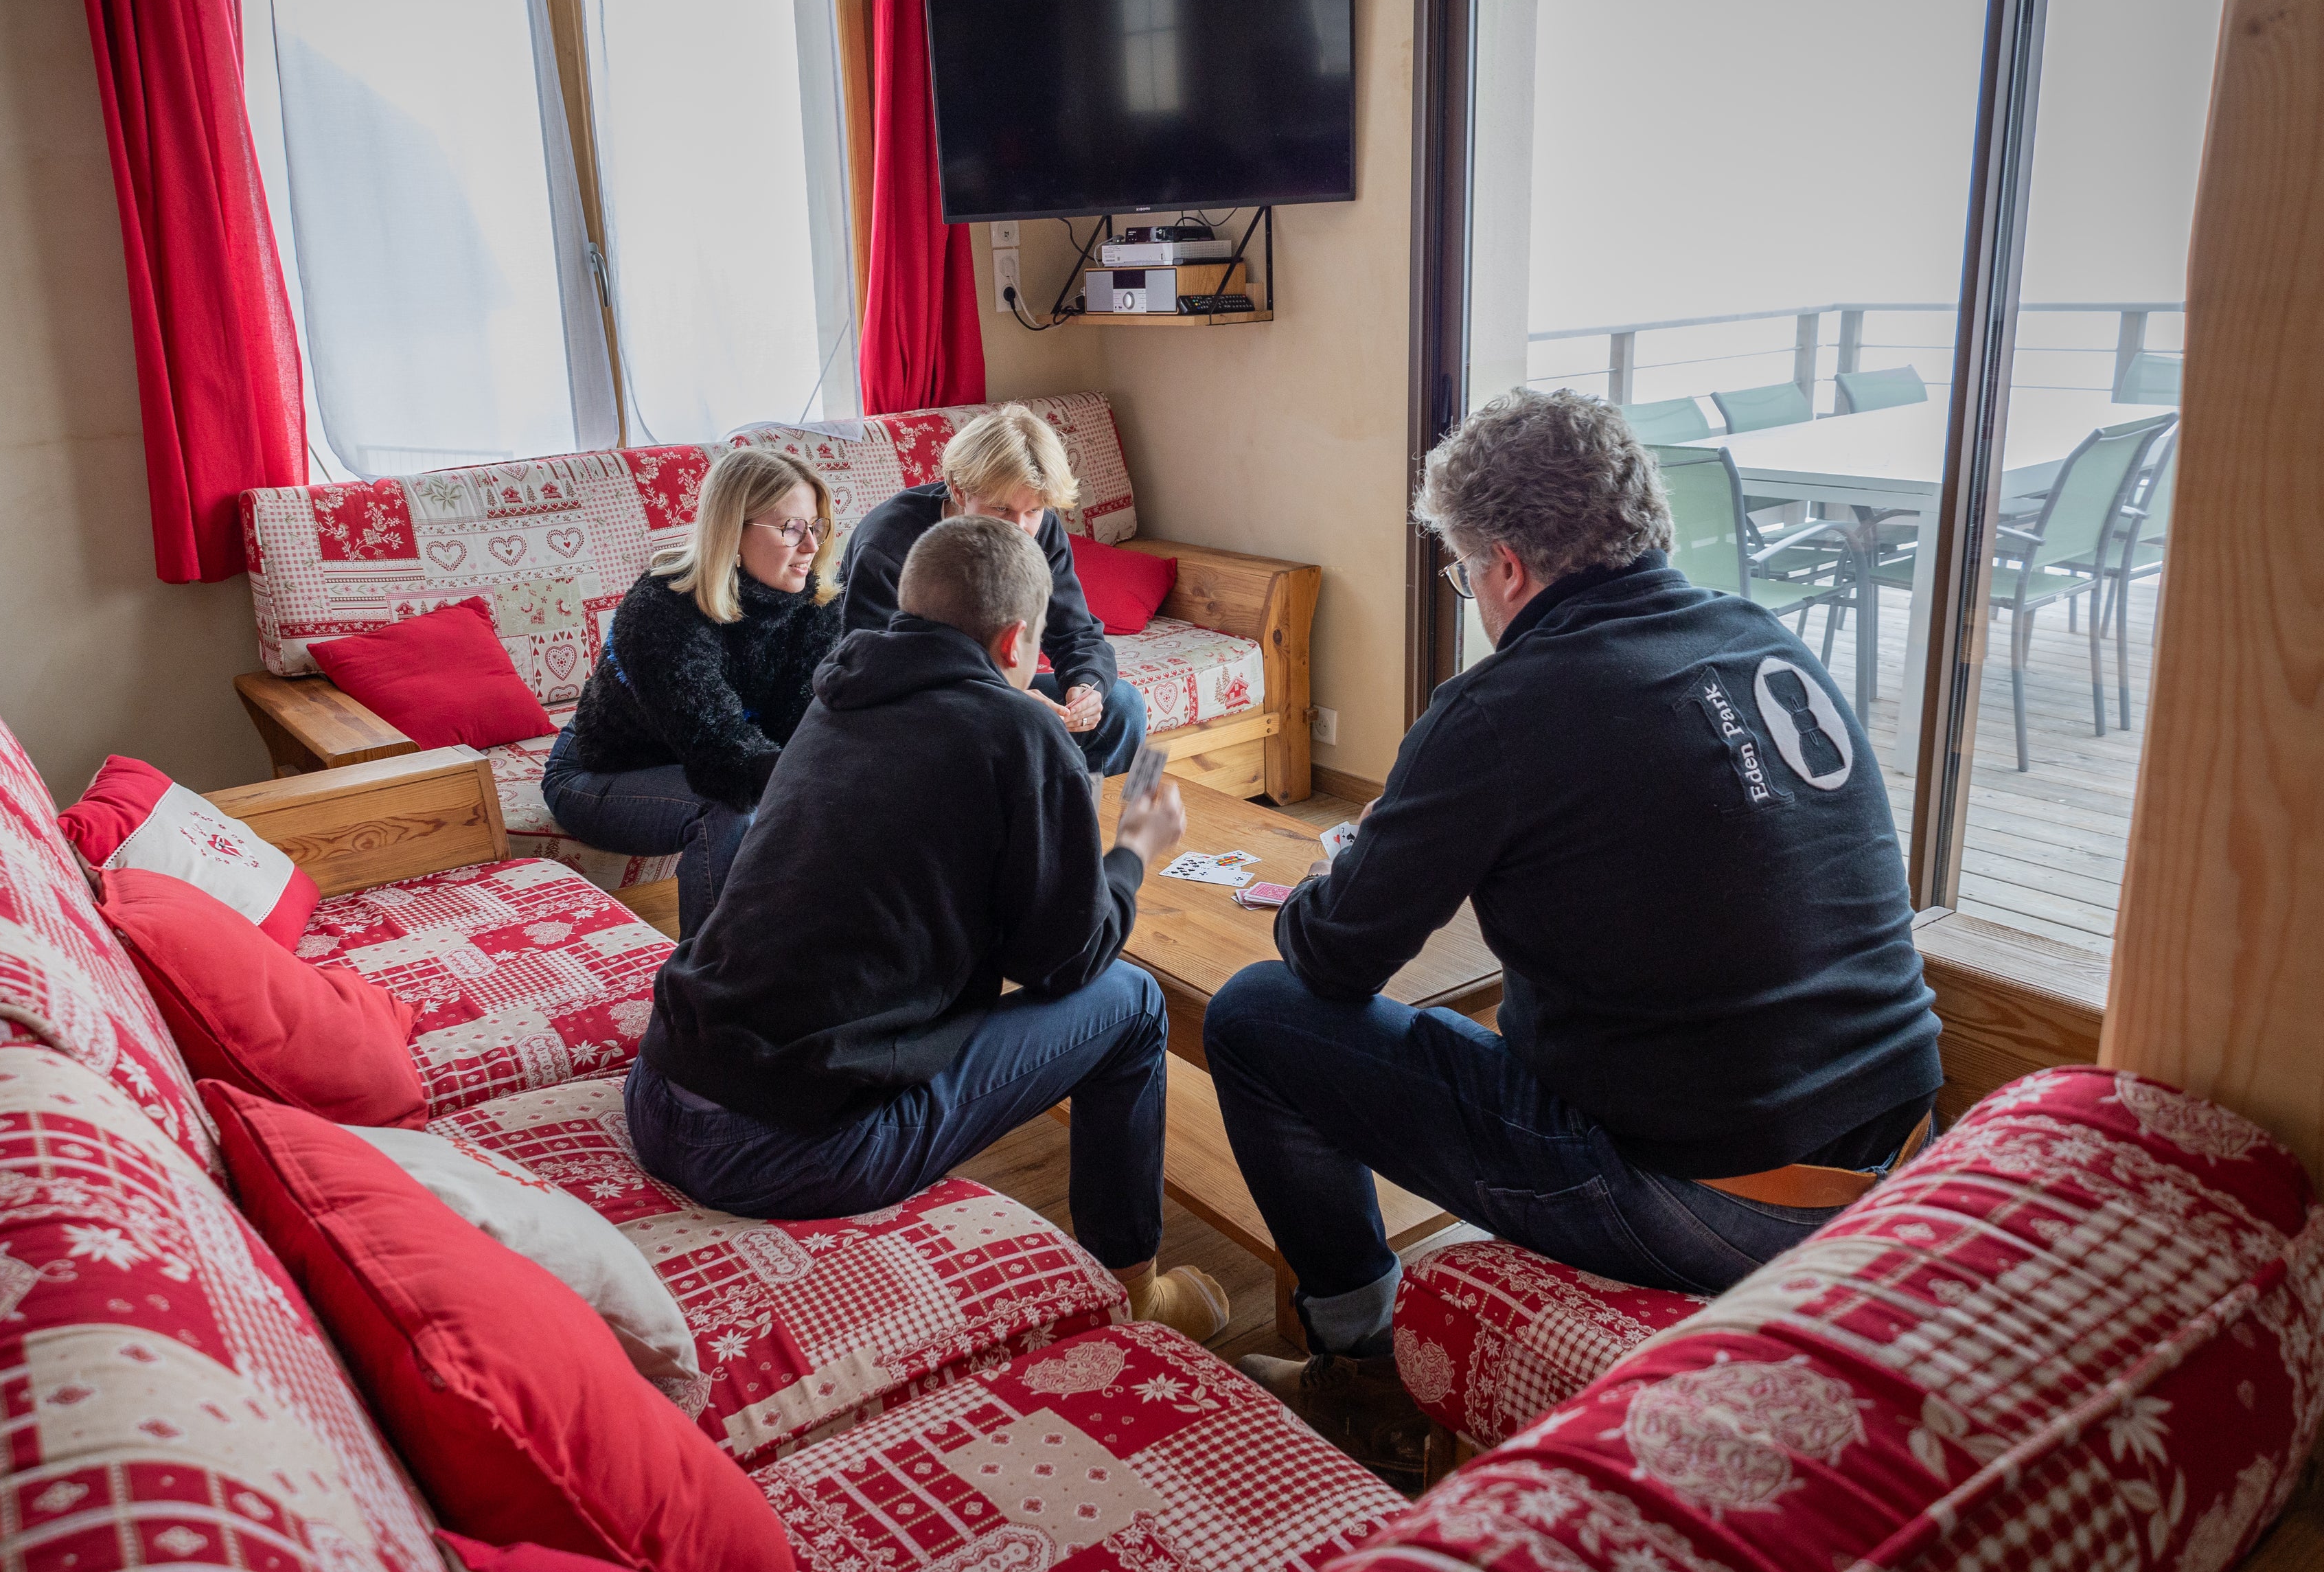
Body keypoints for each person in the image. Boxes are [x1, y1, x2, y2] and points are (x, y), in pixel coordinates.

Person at [1206, 387, 1943, 1467]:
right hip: (1903, 1144)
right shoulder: (1756, 633)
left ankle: (1363, 1374)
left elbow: (1327, 953)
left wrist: (1364, 855)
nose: (1472, 597)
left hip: (1722, 1199)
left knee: (1258, 1018)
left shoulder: (1507, 705)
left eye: (1463, 574)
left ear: (1506, 565)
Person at [624, 514, 1229, 1338]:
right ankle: (1137, 1293)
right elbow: (1066, 962)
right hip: (786, 1149)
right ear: (1018, 639)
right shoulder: (1017, 730)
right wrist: (1132, 852)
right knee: (1132, 1003)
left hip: (663, 1091)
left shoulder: (833, 698)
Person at [545, 448, 844, 939]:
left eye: (818, 525)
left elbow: (804, 727)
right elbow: (722, 752)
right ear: (732, 530)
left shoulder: (816, 604)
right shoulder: (661, 609)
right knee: (729, 807)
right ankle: (713, 981)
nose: (811, 544)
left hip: (709, 761)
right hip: (601, 769)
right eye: (791, 527)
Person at [840, 405, 1147, 777]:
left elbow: (1076, 634)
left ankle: (1074, 821)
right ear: (958, 489)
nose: (1019, 529)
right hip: (913, 703)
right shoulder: (887, 542)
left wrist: (1086, 687)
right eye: (1001, 509)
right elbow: (869, 670)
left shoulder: (1042, 530)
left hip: (994, 686)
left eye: (1033, 510)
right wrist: (1005, 699)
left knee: (1123, 706)